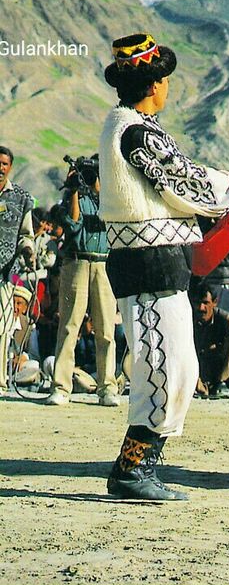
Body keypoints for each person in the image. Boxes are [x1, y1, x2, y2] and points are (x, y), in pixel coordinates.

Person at [99, 32, 229, 501]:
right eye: (164, 79)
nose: (168, 87)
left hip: (158, 265)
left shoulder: (131, 128)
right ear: (154, 83)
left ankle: (139, 467)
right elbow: (189, 185)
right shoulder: (136, 133)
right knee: (162, 367)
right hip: (147, 266)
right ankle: (131, 472)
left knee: (176, 364)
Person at [45, 158, 119, 407]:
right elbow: (73, 225)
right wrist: (74, 189)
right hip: (77, 262)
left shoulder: (111, 197)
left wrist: (102, 188)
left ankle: (107, 386)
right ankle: (61, 386)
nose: (91, 177)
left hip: (104, 264)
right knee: (69, 326)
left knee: (106, 328)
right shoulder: (74, 197)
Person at [0, 146, 35, 393]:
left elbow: (26, 235)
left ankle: (0, 381)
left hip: (7, 273)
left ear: (10, 167)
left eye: (4, 164)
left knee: (2, 327)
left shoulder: (21, 198)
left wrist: (29, 249)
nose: (0, 168)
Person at [192, 284, 229, 397]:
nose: (201, 308)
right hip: (200, 364)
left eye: (205, 303)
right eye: (197, 303)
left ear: (215, 302)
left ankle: (217, 384)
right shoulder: (189, 318)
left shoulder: (222, 317)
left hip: (223, 365)